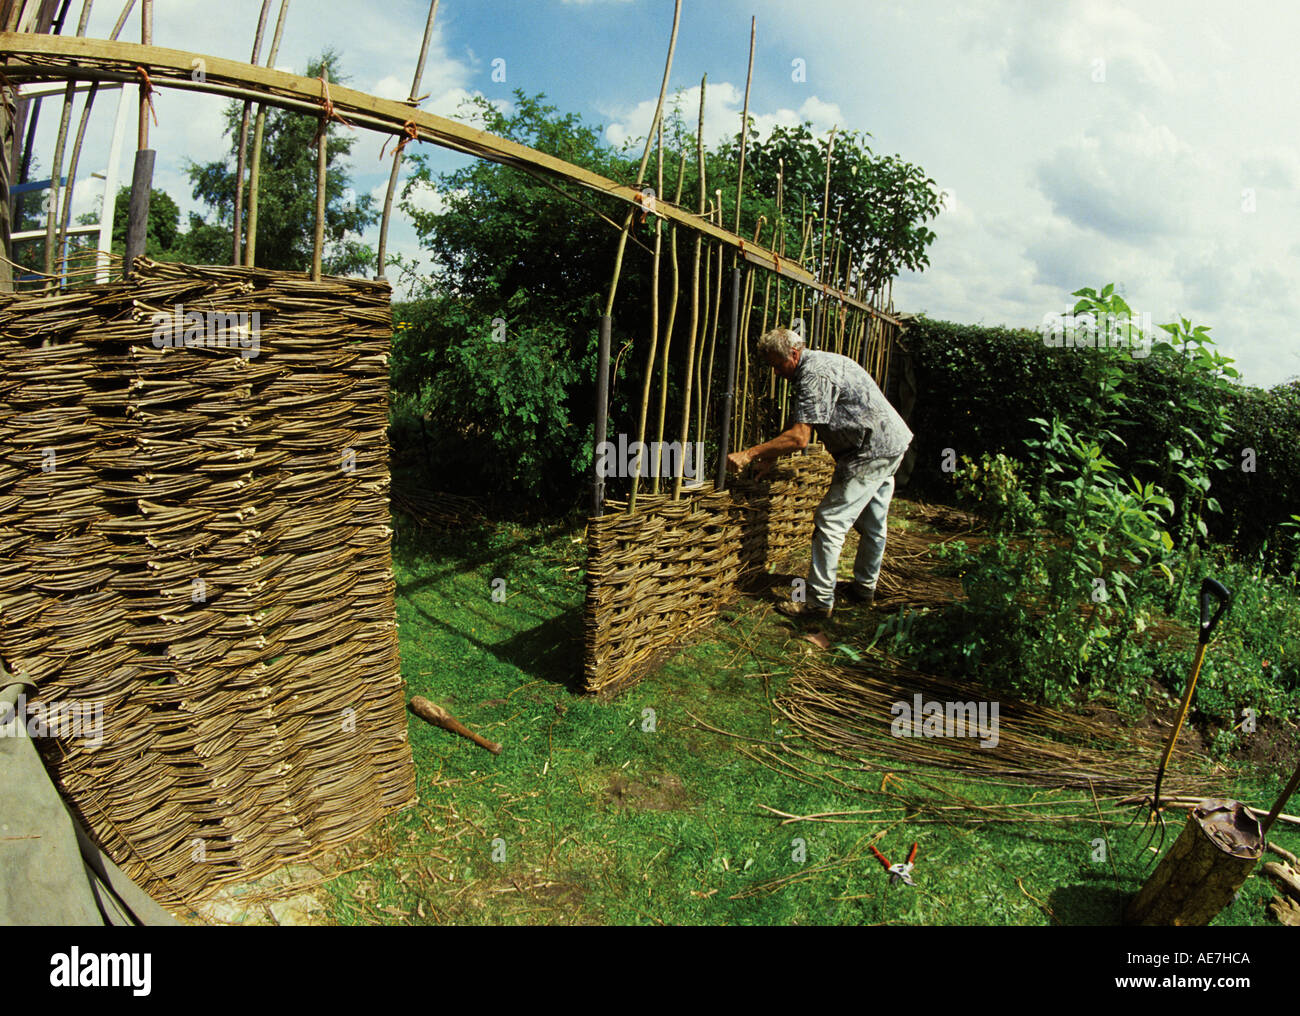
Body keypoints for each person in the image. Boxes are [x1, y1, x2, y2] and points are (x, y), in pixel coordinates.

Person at [726, 327, 913, 619]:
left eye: (777, 364)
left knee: (830, 521)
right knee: (873, 523)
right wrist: (773, 456)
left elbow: (800, 437)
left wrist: (750, 453)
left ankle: (818, 603)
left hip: (868, 452)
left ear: (794, 354)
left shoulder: (813, 375)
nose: (775, 372)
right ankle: (864, 588)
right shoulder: (824, 362)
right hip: (891, 442)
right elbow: (807, 424)